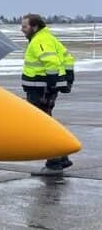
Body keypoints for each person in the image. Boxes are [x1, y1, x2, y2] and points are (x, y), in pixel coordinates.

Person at [20, 13, 74, 173]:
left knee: (41, 124)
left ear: (34, 27)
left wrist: (52, 82)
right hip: (44, 88)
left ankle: (54, 162)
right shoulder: (49, 38)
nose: (21, 30)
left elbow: (51, 62)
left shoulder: (40, 41)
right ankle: (62, 157)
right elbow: (68, 59)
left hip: (40, 88)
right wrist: (68, 79)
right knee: (47, 121)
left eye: (24, 26)